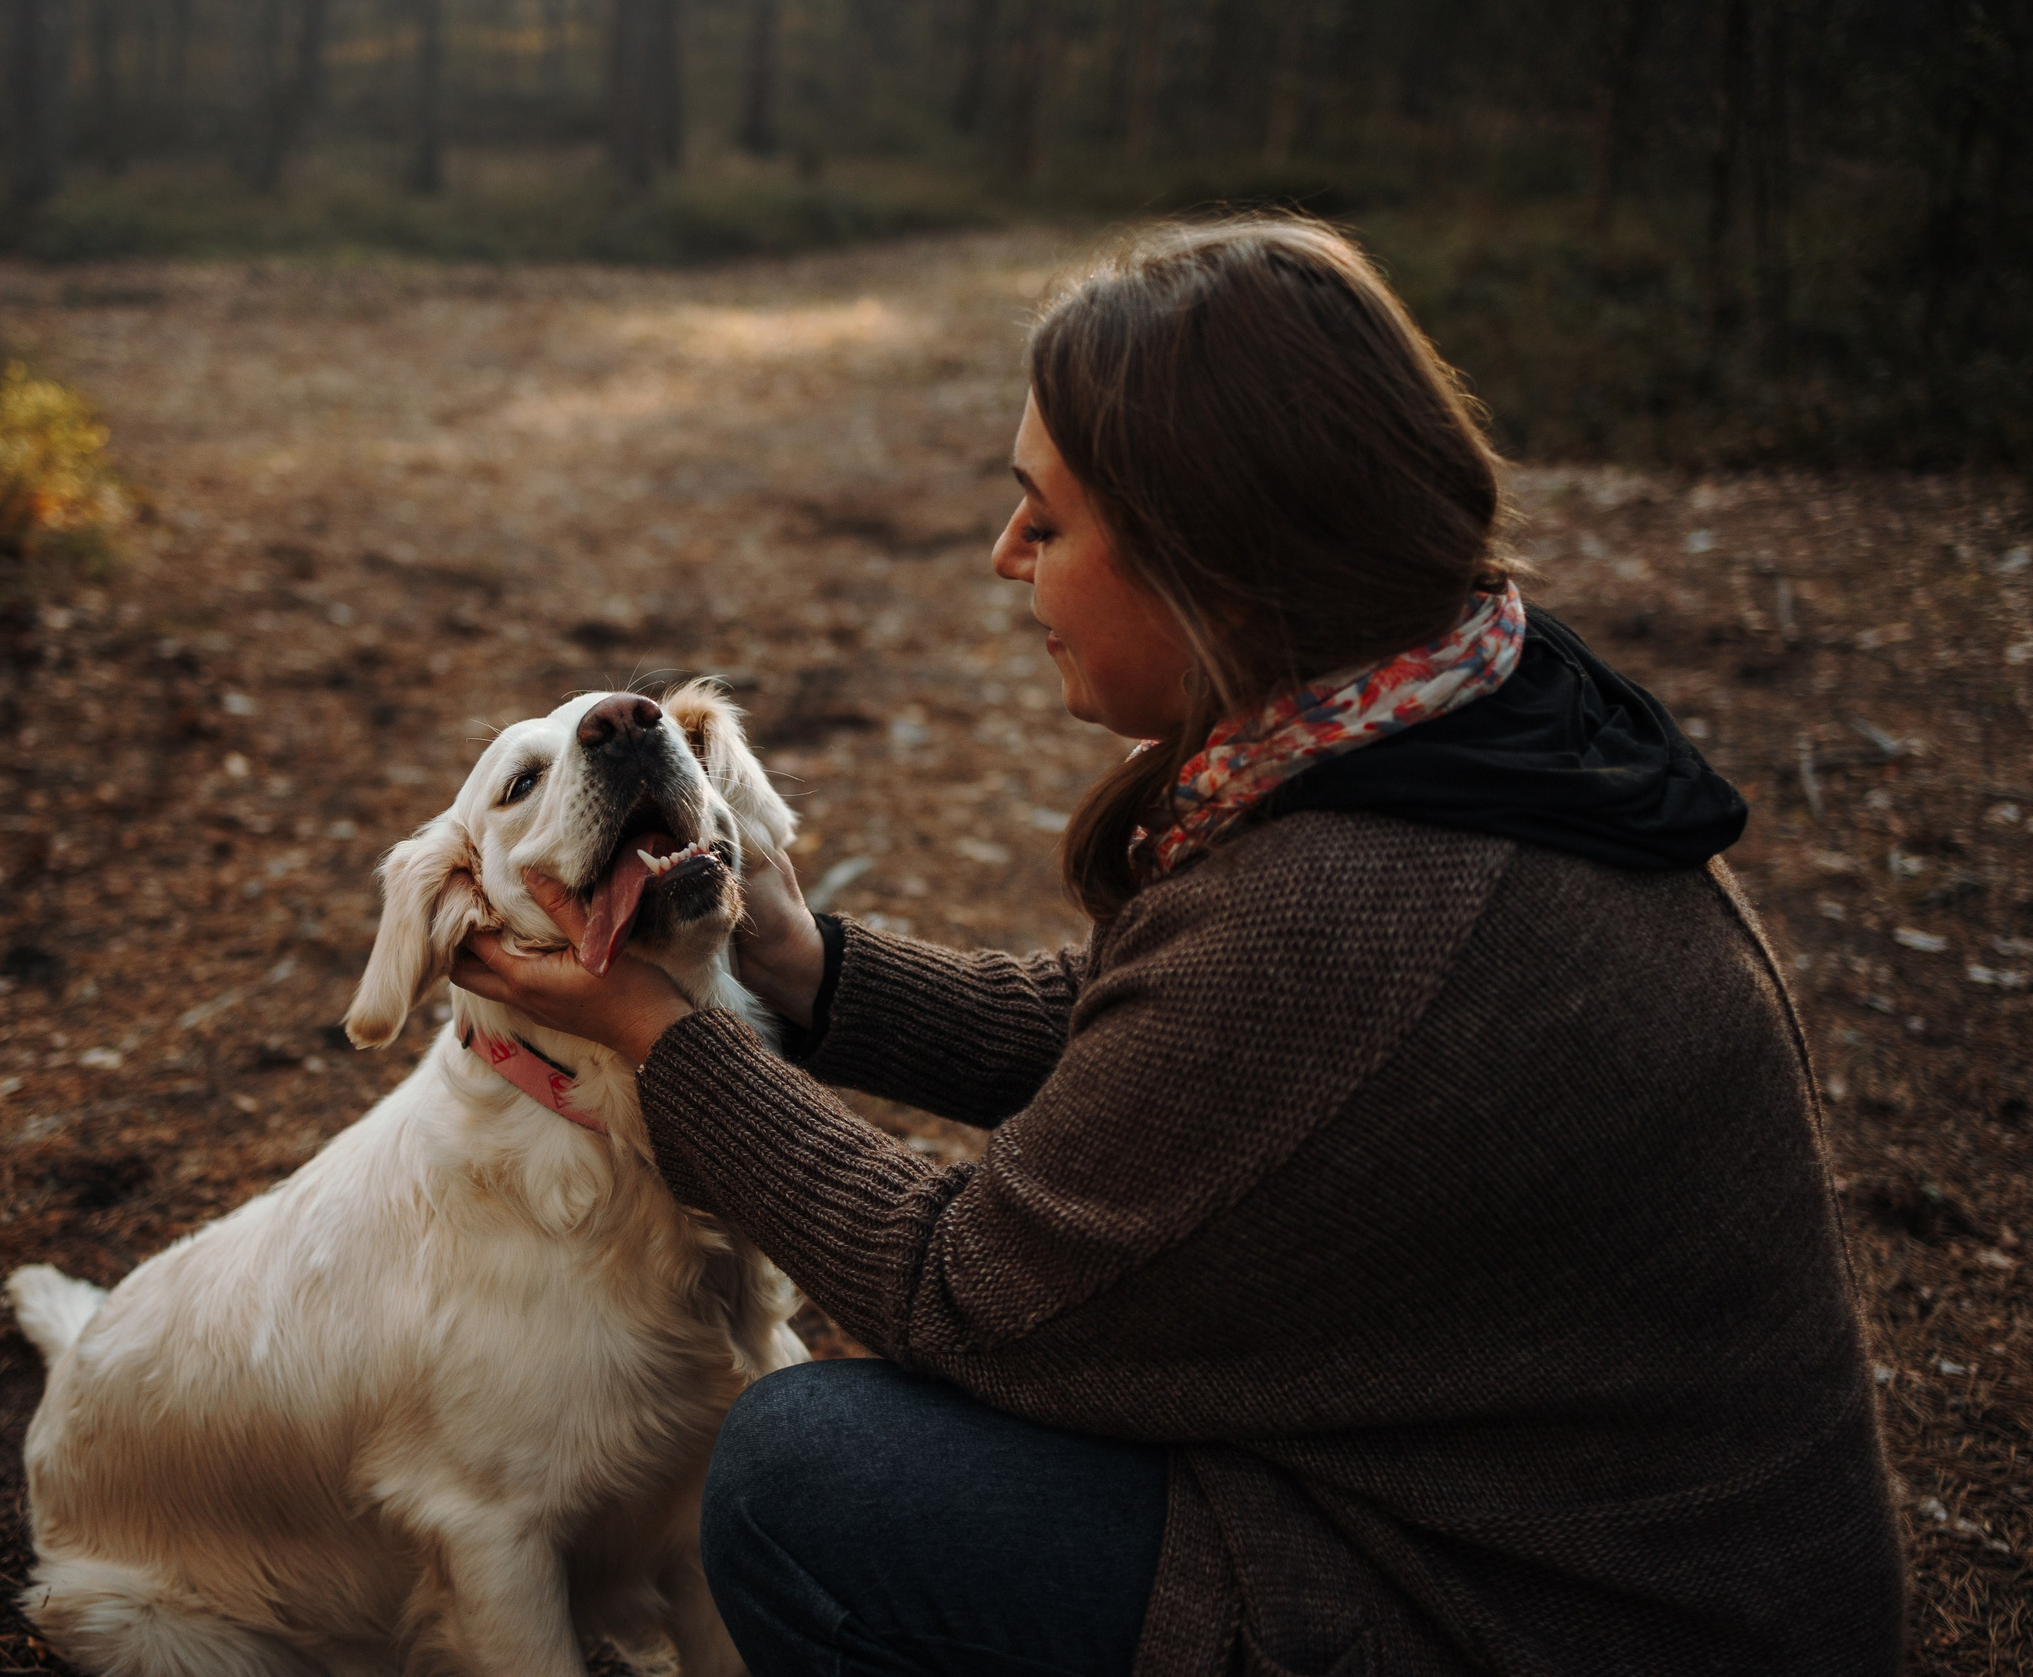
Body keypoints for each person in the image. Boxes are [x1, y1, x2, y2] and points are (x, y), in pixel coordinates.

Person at [450, 219, 1902, 1677]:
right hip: (1572, 1536)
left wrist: (665, 1043)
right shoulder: (1456, 714)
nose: (1003, 554)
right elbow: (1166, 1048)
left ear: (1209, 560)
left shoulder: (1354, 909)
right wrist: (802, 962)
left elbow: (968, 1295)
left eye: (1046, 521)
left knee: (807, 1479)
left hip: (1552, 1623)